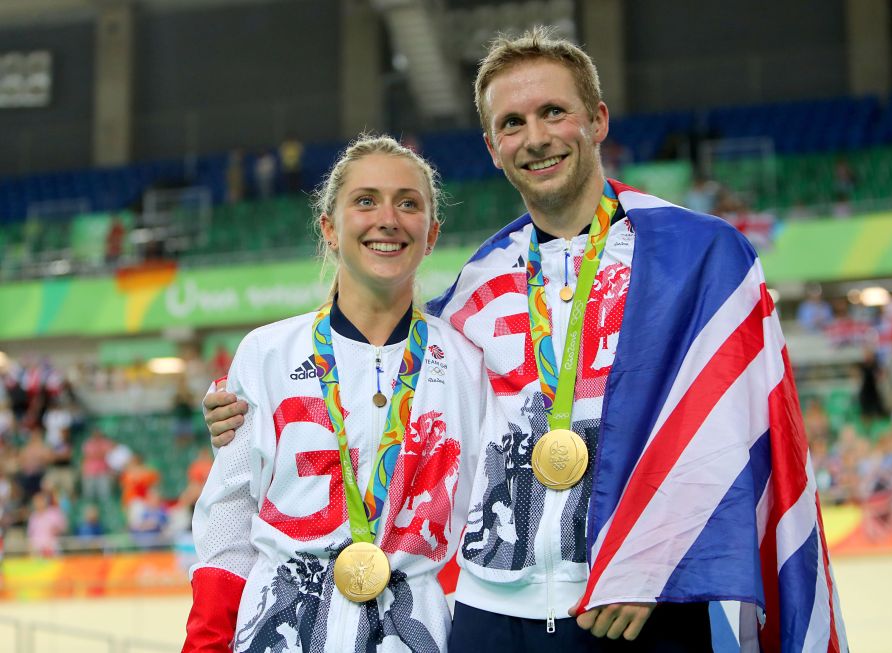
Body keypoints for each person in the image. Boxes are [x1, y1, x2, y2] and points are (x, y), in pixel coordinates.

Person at [204, 27, 846, 652]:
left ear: (596, 120)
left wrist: (655, 559)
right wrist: (247, 417)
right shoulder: (472, 293)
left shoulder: (695, 258)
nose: (535, 138)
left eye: (553, 113)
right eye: (512, 123)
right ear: (491, 146)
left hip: (636, 605)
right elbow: (387, 405)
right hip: (489, 614)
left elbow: (733, 427)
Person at [182, 135, 493, 653]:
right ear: (329, 227)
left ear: (432, 234)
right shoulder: (266, 353)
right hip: (279, 630)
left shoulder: (467, 362)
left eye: (408, 203)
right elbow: (230, 519)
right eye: (365, 200)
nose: (388, 218)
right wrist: (206, 642)